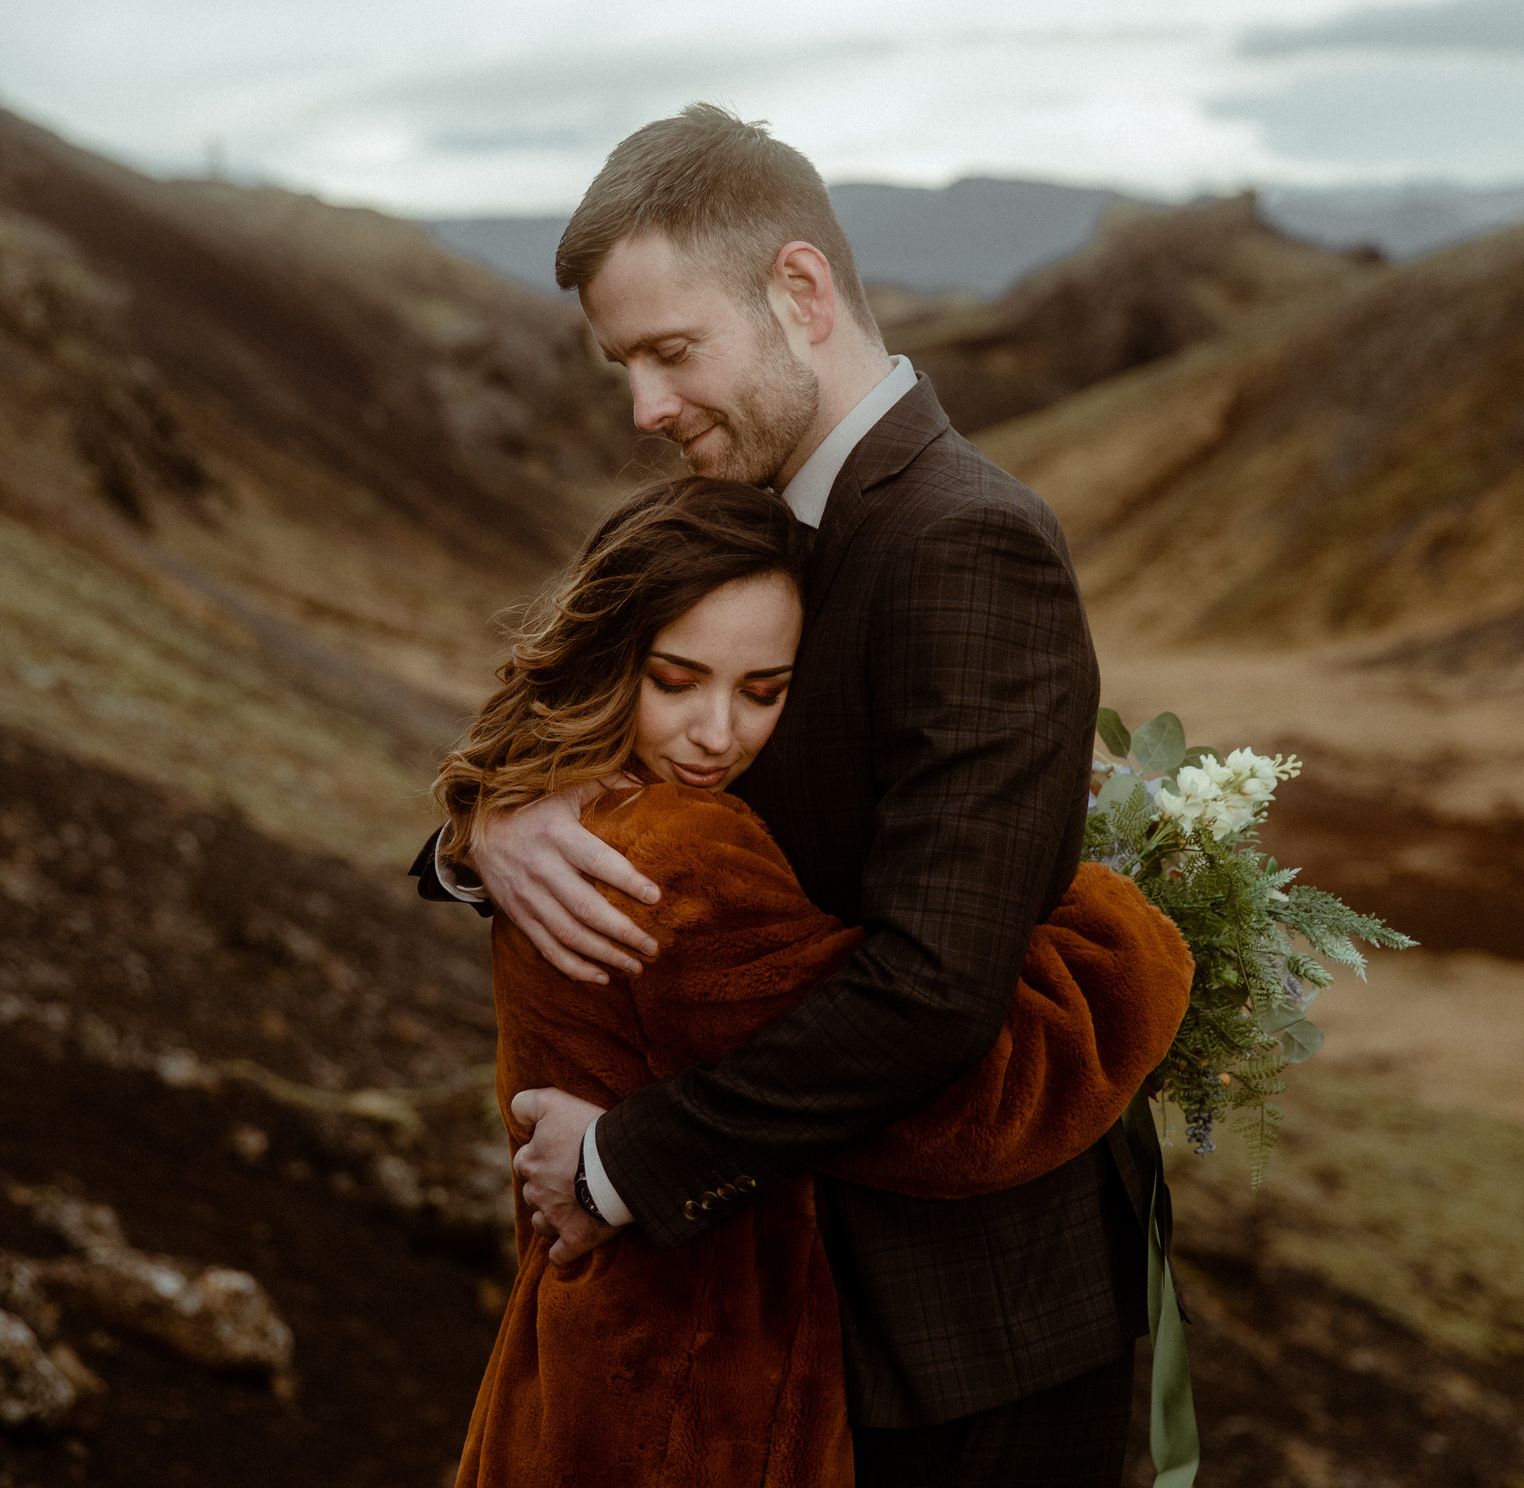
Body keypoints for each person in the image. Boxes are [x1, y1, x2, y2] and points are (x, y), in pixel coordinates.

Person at [417, 103, 1167, 1484]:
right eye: (623, 365)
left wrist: (622, 1163)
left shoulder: (965, 537)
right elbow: (601, 717)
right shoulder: (758, 519)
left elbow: (937, 983)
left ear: (800, 290)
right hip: (797, 1314)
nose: (646, 405)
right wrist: (492, 832)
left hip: (961, 1330)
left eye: (670, 350)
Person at [442, 475, 1193, 1486]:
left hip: (598, 1350)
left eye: (763, 691)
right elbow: (958, 1106)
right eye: (677, 679)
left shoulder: (549, 806)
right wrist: (1126, 936)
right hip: (693, 1394)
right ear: (610, 655)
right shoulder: (676, 852)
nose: (718, 734)